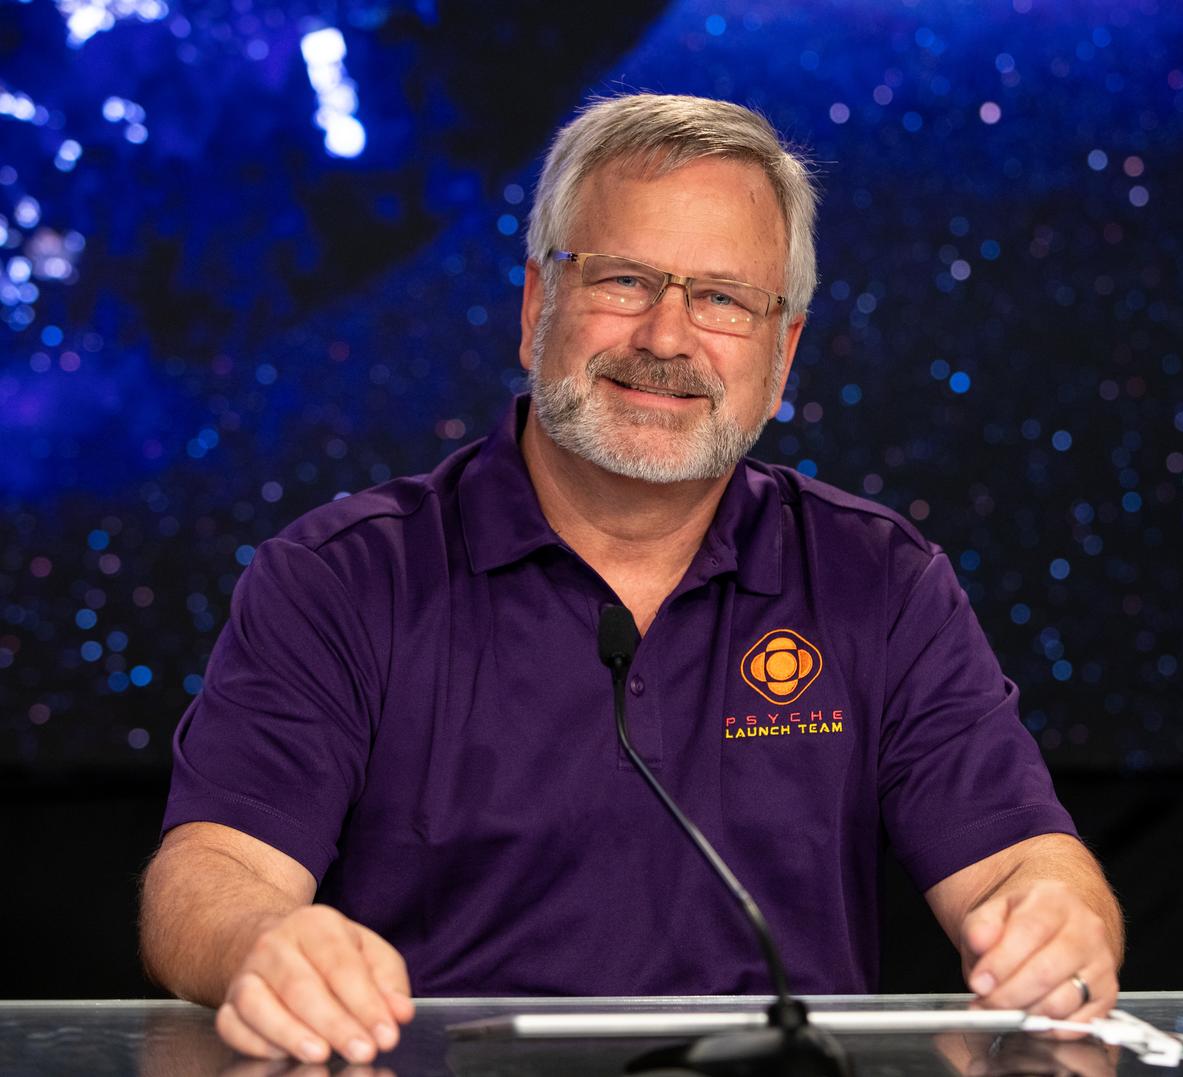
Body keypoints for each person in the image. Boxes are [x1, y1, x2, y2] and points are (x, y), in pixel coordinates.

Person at [139, 93, 1123, 1066]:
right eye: (622, 281)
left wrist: (1058, 923)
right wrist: (261, 941)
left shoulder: (881, 583)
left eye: (723, 299)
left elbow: (1019, 864)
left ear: (782, 353)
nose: (665, 338)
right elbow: (212, 872)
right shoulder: (342, 578)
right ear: (537, 305)